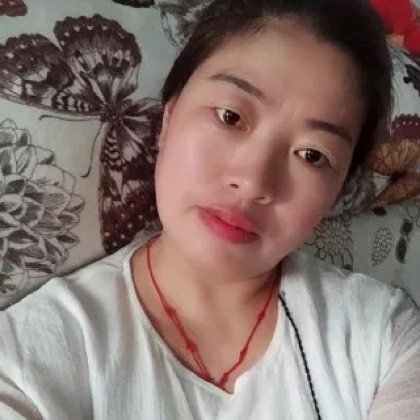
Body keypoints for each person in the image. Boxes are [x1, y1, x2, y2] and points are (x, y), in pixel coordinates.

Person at [1, 0, 419, 418]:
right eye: (230, 116)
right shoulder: (28, 356)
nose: (254, 182)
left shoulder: (384, 337)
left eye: (312, 155)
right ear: (169, 118)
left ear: (337, 190)